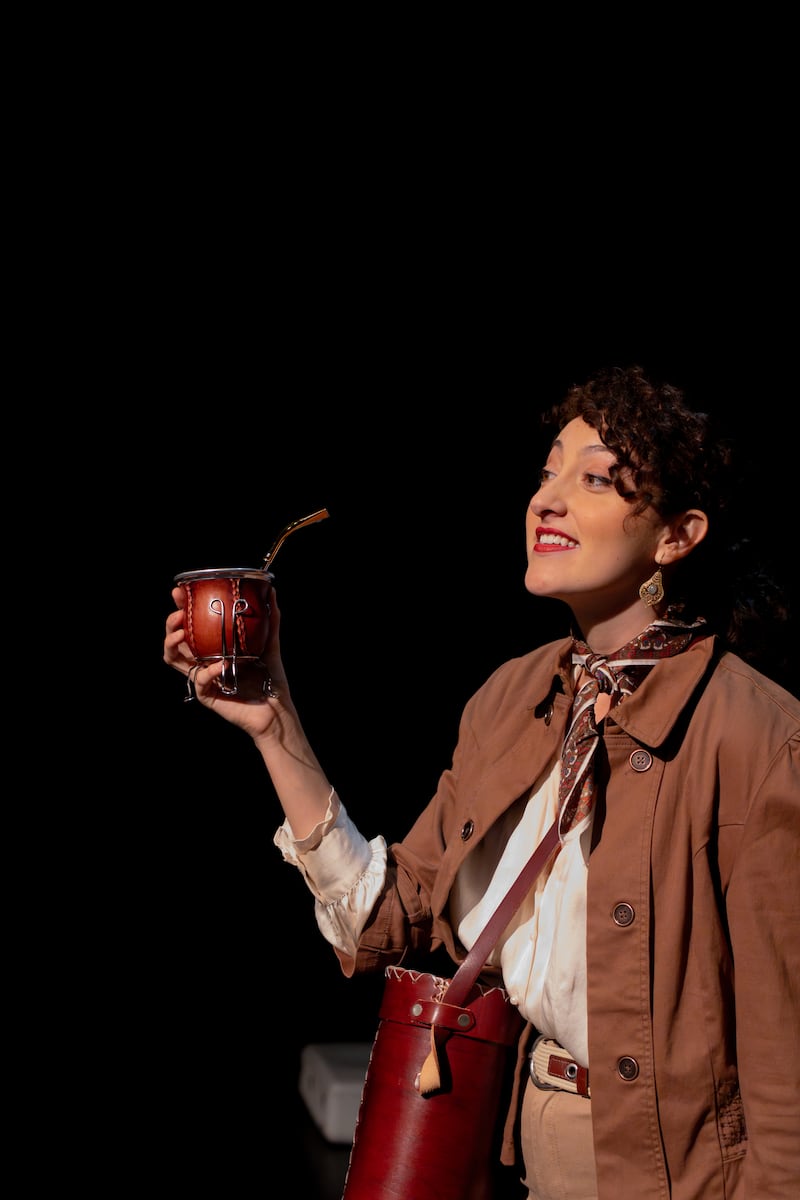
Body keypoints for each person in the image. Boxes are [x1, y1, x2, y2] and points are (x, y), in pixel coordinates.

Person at [163, 365, 799, 1199]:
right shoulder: (514, 696)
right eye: (547, 473)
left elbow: (786, 1074)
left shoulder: (758, 736)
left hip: (669, 1174)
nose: (547, 501)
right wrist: (274, 722)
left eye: (595, 479)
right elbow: (388, 922)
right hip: (518, 1153)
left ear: (677, 536)